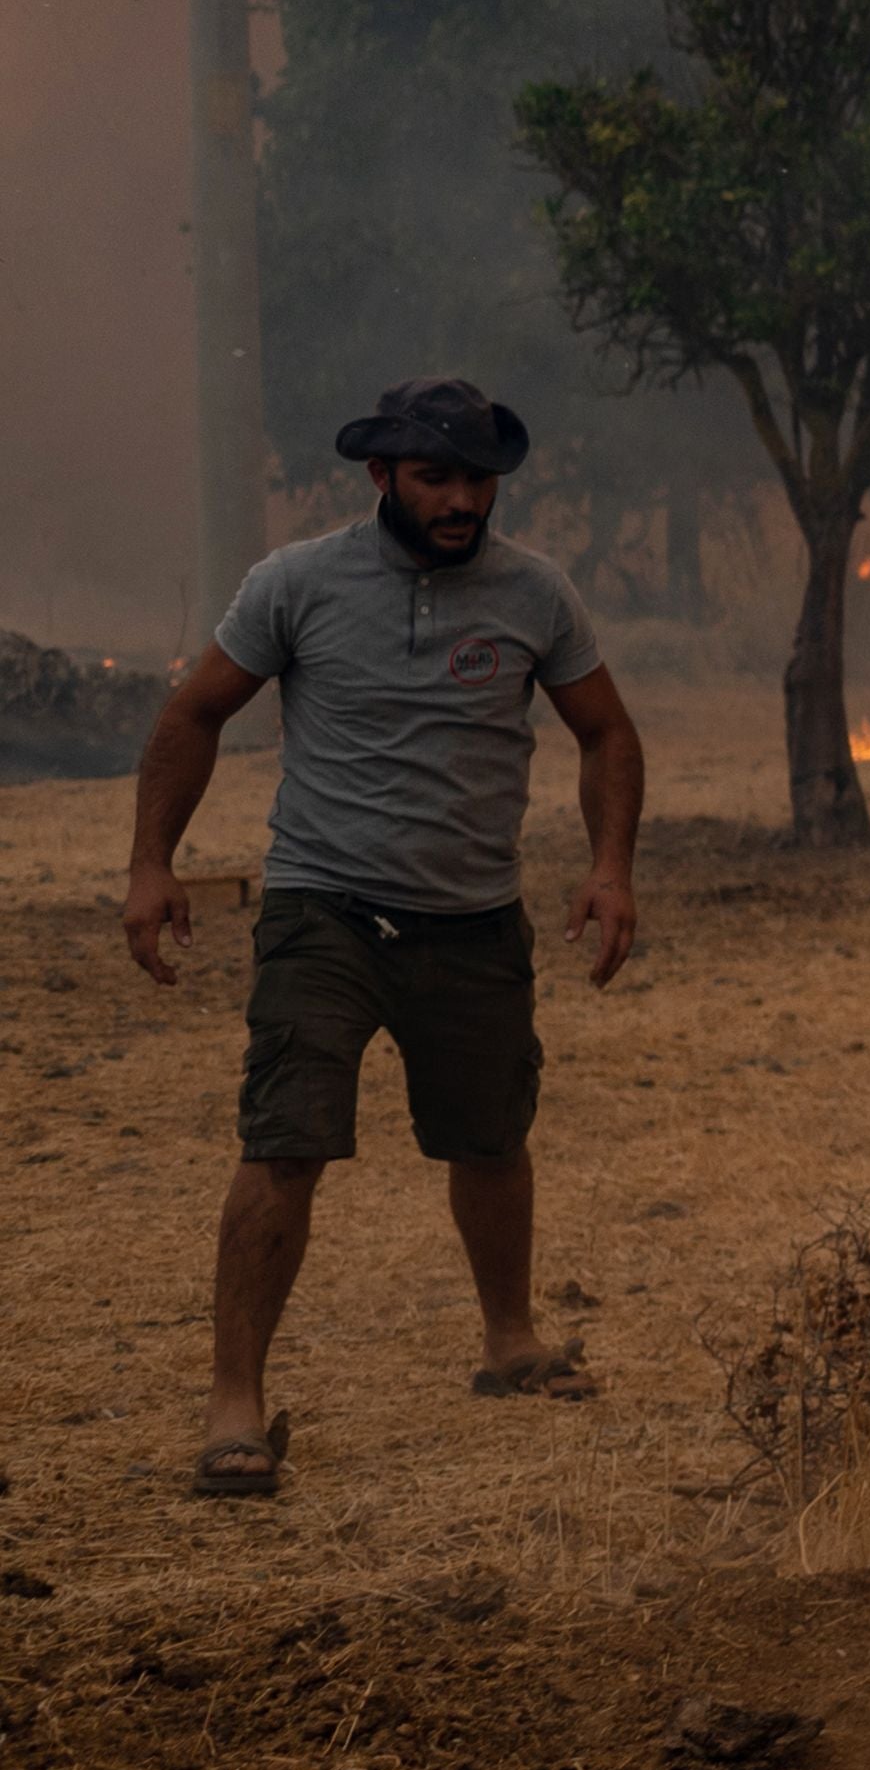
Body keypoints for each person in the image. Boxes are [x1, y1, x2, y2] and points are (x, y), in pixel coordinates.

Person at [123, 378, 647, 1494]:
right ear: (381, 477)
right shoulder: (297, 582)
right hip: (327, 909)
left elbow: (604, 730)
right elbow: (193, 714)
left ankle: (510, 1338)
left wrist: (609, 869)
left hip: (474, 916)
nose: (461, 498)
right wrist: (152, 863)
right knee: (286, 1140)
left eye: (478, 477)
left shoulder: (535, 592)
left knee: (492, 1136)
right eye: (436, 477)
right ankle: (235, 1406)